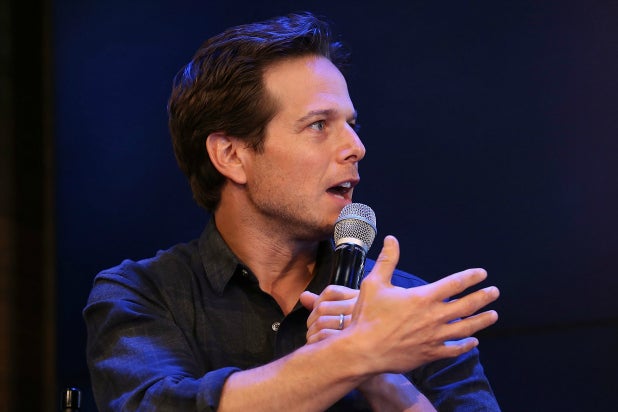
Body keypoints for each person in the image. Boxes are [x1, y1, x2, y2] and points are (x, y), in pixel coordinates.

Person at [84, 12, 501, 411]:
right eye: (318, 125)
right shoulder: (143, 293)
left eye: (352, 124)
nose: (356, 147)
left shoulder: (406, 309)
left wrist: (381, 375)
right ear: (231, 155)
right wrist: (351, 355)